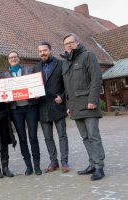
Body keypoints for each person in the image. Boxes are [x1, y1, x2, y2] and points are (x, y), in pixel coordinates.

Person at [61, 33, 105, 181]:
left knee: (93, 136)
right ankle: (92, 164)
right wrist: (68, 105)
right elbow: (67, 87)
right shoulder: (65, 63)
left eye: (71, 42)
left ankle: (99, 167)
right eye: (66, 43)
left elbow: (96, 78)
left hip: (89, 104)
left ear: (77, 43)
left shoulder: (88, 56)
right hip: (75, 106)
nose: (68, 45)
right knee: (85, 137)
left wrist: (93, 99)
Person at [33, 41, 69, 173]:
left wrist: (63, 96)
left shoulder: (61, 64)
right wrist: (33, 95)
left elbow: (68, 84)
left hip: (57, 105)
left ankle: (64, 162)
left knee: (62, 135)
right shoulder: (35, 68)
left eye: (45, 50)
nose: (43, 53)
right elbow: (32, 87)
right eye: (40, 51)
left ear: (50, 50)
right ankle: (53, 162)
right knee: (48, 137)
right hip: (42, 107)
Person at [3, 51, 42, 175]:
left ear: (19, 59)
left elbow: (36, 86)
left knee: (33, 137)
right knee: (22, 138)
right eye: (11, 57)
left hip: (30, 107)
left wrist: (37, 94)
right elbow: (3, 92)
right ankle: (28, 166)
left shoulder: (29, 71)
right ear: (8, 60)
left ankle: (37, 165)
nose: (13, 59)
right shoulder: (4, 75)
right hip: (16, 110)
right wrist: (5, 98)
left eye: (15, 57)